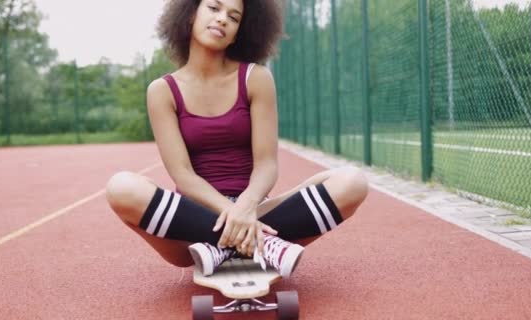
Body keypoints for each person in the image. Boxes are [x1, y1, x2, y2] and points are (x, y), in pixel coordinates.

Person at [106, 0, 368, 279]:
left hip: (257, 210)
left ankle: (221, 248)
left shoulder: (255, 78)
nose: (222, 19)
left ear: (239, 32)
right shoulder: (162, 91)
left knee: (352, 182)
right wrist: (233, 214)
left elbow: (266, 165)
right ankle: (262, 244)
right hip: (191, 221)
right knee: (121, 187)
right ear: (191, 13)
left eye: (233, 17)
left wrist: (245, 208)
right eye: (214, 8)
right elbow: (183, 176)